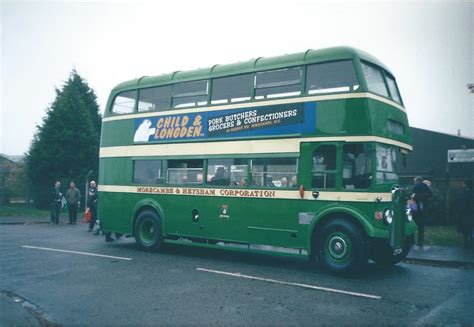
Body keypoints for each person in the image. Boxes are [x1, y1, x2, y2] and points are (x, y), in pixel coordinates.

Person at [412, 176, 432, 246]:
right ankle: (420, 241)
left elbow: (412, 198)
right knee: (421, 226)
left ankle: (413, 240)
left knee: (413, 225)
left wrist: (411, 208)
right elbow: (430, 195)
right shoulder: (426, 187)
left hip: (416, 208)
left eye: (414, 181)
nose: (414, 182)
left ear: (417, 181)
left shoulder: (416, 187)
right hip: (424, 208)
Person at [455, 180, 474, 248]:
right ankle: (470, 242)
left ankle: (466, 242)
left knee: (466, 228)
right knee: (470, 228)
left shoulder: (464, 193)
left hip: (466, 213)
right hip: (469, 213)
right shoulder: (468, 193)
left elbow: (460, 203)